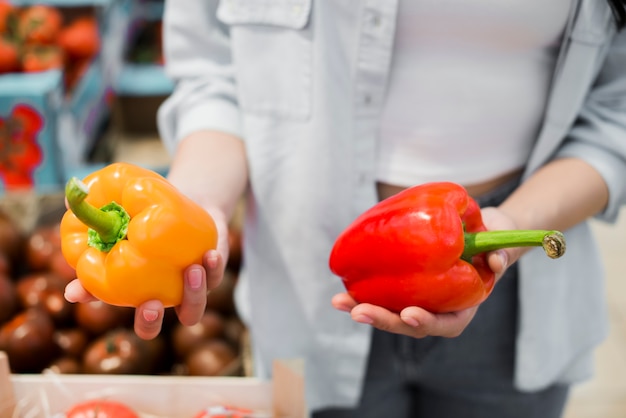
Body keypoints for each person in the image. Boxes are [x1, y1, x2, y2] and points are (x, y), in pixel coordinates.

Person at [65, 0, 626, 416]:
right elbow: (214, 79)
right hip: (301, 270)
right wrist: (196, 206)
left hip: (515, 283)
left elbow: (615, 116)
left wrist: (515, 225)